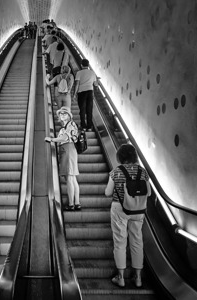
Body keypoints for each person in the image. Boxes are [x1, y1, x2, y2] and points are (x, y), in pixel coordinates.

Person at [105, 144, 151, 288]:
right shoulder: (142, 172)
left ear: (120, 157)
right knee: (137, 241)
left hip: (120, 209)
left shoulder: (116, 172)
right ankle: (138, 278)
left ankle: (121, 277)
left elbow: (107, 192)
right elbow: (148, 193)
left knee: (120, 242)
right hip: (138, 210)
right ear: (134, 156)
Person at [45, 106, 81, 211]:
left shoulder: (71, 124)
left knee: (70, 178)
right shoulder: (64, 127)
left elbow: (65, 138)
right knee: (72, 178)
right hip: (67, 151)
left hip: (68, 150)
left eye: (64, 113)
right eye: (61, 114)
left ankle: (71, 204)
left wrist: (51, 139)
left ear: (69, 115)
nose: (62, 115)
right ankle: (77, 203)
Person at [73, 59, 98, 131]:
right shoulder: (92, 73)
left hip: (82, 92)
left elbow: (77, 84)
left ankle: (83, 126)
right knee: (89, 109)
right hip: (90, 92)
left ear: (81, 65)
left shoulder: (79, 73)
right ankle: (89, 127)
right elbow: (95, 84)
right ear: (88, 65)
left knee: (82, 109)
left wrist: (75, 94)